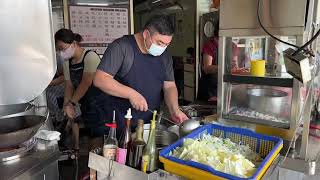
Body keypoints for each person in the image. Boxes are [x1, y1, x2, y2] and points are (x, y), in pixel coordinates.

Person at [94, 15, 188, 133]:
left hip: (149, 122)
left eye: (167, 44)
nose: (163, 47)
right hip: (121, 121)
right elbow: (100, 79)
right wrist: (132, 94)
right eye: (159, 42)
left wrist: (175, 110)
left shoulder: (164, 56)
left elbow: (169, 86)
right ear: (146, 34)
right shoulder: (121, 47)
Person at [55, 28, 105, 151]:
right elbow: (69, 86)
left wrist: (72, 103)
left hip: (100, 104)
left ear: (73, 44)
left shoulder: (90, 56)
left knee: (97, 137)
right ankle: (91, 166)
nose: (61, 52)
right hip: (86, 105)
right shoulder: (67, 63)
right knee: (89, 136)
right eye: (59, 50)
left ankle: (96, 167)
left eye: (63, 48)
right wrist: (66, 106)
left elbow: (86, 83)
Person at [198, 21, 239, 101]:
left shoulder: (233, 46)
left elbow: (235, 67)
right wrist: (224, 67)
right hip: (210, 89)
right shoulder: (209, 45)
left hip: (225, 87)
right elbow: (207, 68)